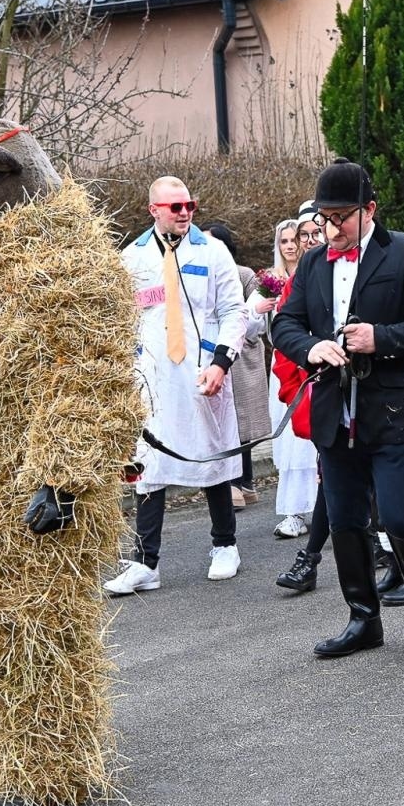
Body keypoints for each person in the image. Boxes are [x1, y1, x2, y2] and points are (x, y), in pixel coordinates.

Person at [271, 158, 404, 659]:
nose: (329, 230)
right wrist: (311, 347)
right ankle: (363, 617)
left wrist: (382, 339)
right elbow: (283, 325)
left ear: (369, 209)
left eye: (340, 218)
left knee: (398, 515)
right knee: (347, 520)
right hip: (336, 414)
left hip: (397, 413)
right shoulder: (311, 265)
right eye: (323, 219)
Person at [106, 176, 249, 594]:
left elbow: (233, 311)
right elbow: (119, 320)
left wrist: (222, 362)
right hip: (151, 377)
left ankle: (225, 544)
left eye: (190, 205)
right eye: (175, 207)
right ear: (154, 210)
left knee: (211, 454)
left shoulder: (213, 251)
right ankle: (145, 562)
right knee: (148, 464)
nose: (184, 212)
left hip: (202, 371)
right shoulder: (130, 258)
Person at [205, 222, 269, 513]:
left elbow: (256, 319)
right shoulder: (199, 274)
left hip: (241, 354)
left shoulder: (243, 275)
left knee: (241, 420)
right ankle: (235, 483)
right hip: (212, 353)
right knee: (221, 420)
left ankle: (242, 482)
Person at [265, 218, 319, 538]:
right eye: (303, 236)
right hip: (290, 363)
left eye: (314, 234)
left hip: (319, 364)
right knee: (292, 440)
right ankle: (295, 510)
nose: (304, 241)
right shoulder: (277, 280)